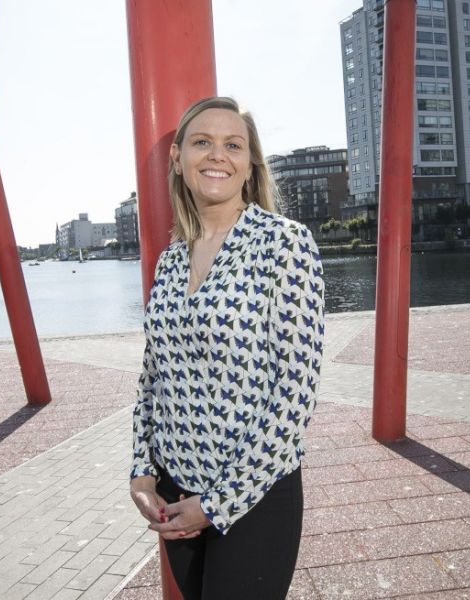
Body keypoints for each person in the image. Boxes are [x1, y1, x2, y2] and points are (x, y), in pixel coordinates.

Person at [128, 97, 325, 599]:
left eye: (233, 145)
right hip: (175, 490)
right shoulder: (170, 261)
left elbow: (294, 396)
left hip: (253, 493)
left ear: (250, 163)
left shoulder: (285, 244)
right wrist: (142, 471)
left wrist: (216, 504)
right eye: (202, 142)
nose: (217, 155)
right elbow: (153, 378)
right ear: (178, 158)